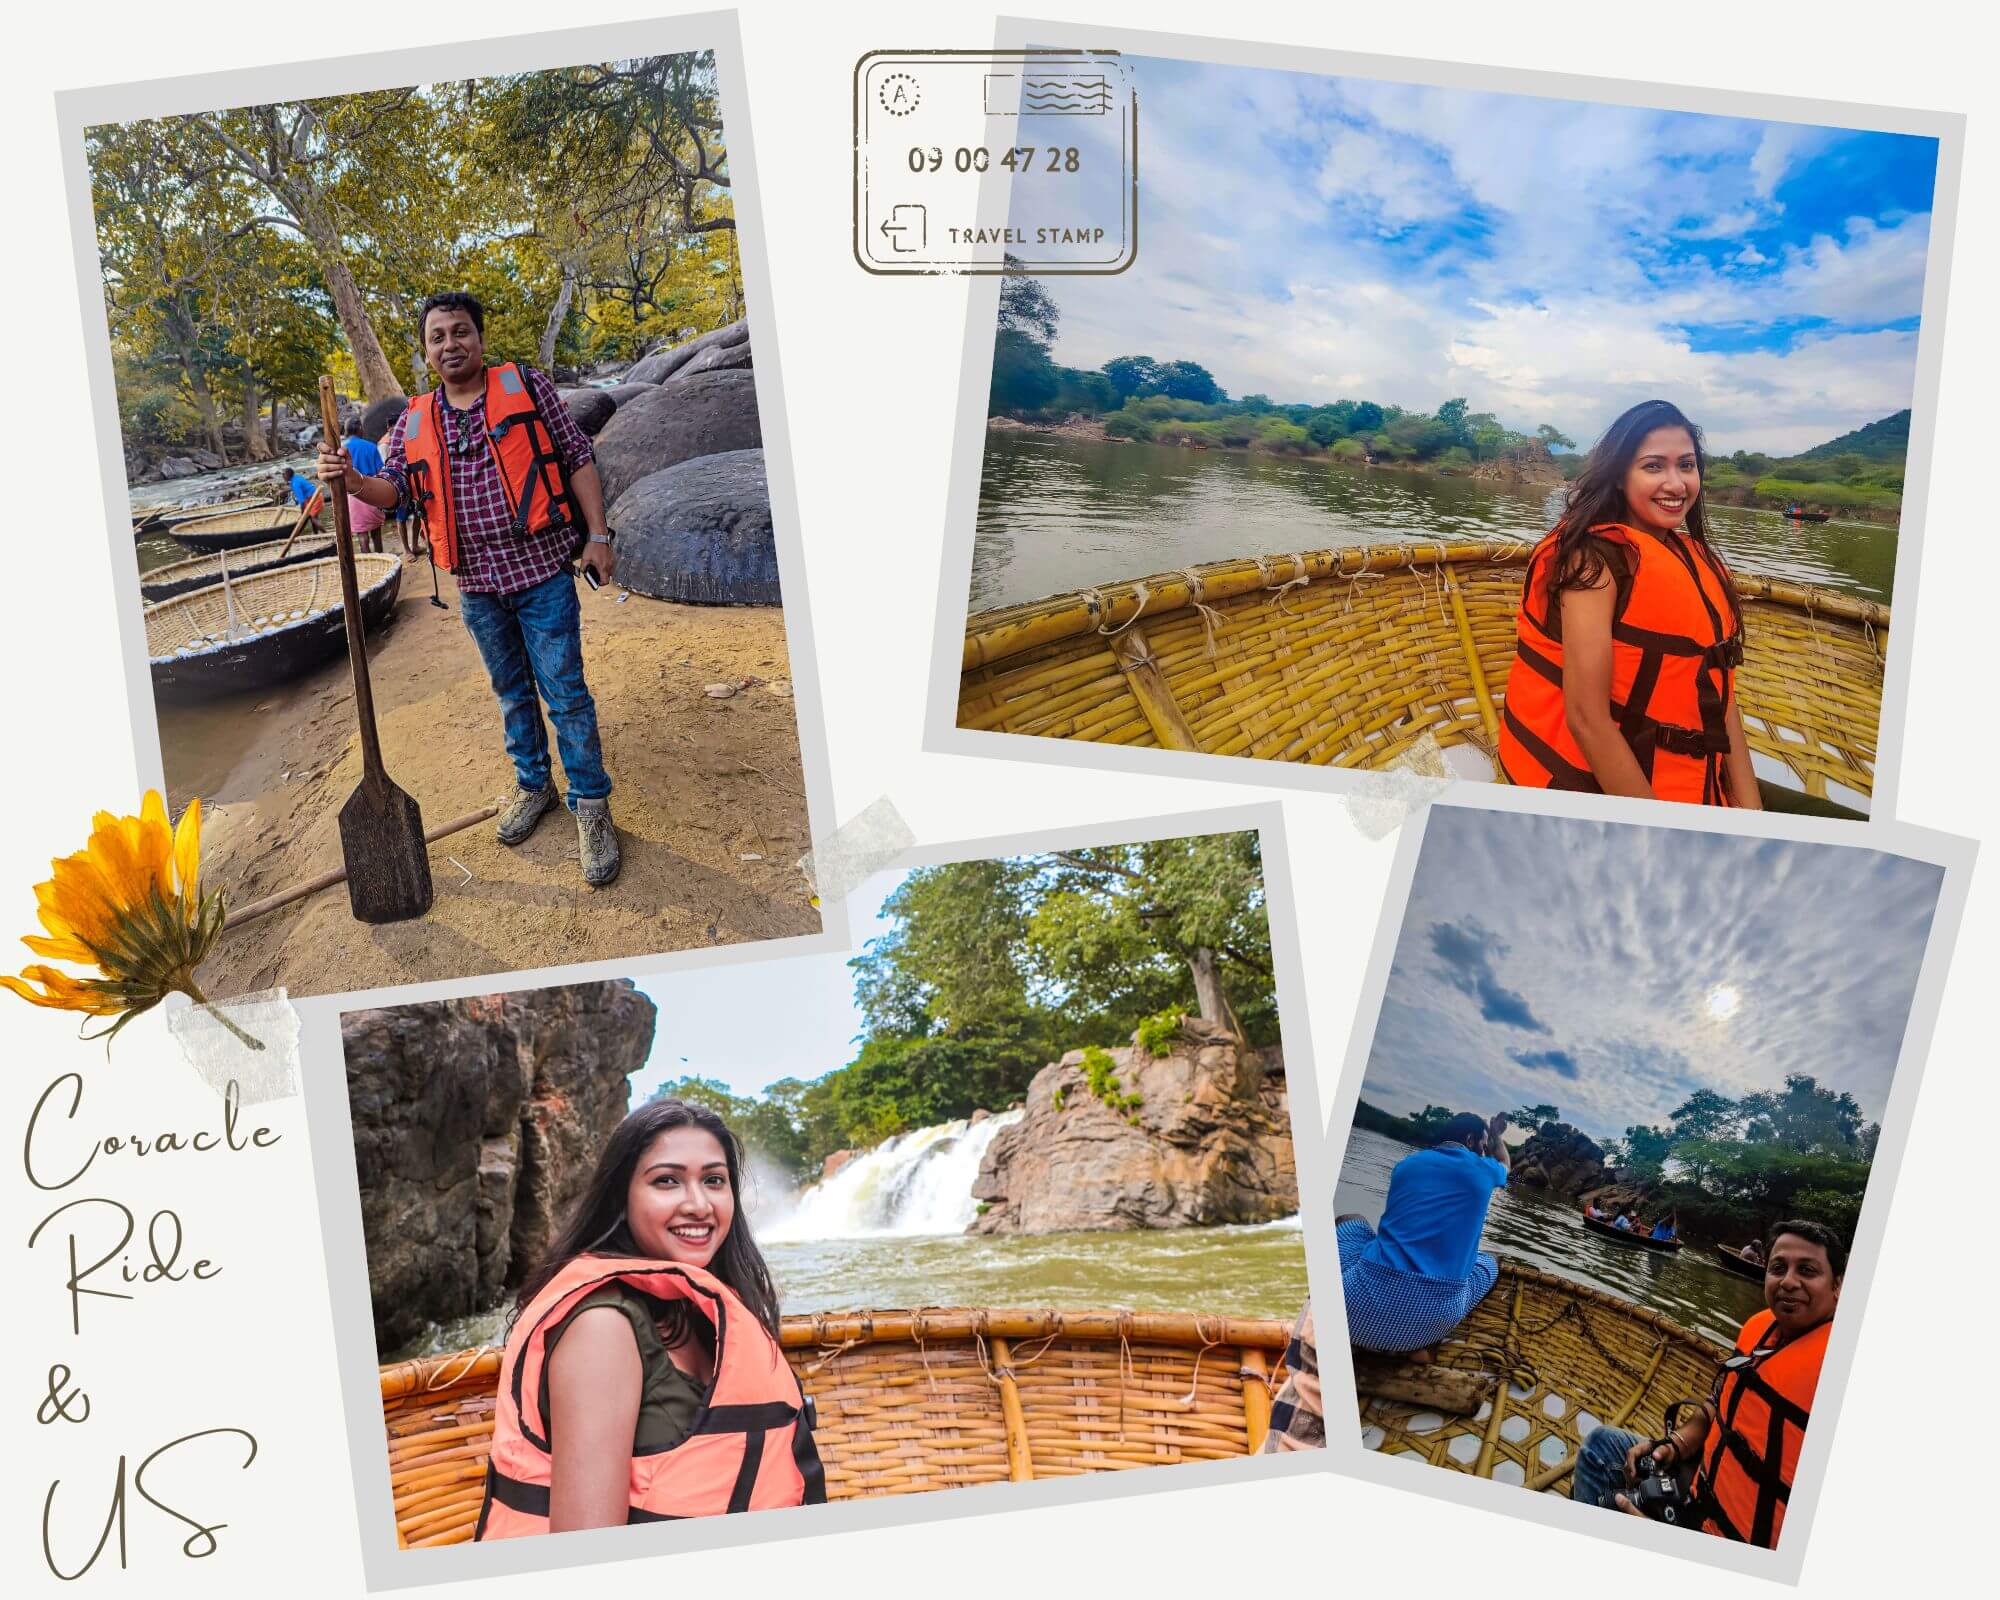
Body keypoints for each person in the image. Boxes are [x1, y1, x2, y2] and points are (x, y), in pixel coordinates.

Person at [321, 291, 623, 885]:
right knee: (512, 693)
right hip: (478, 589)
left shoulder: (528, 388)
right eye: (438, 337)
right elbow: (397, 492)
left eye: (460, 332)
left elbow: (577, 456)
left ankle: (591, 805)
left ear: (480, 340)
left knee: (565, 695)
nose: (450, 344)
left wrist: (597, 534)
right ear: (427, 352)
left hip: (541, 576)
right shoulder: (415, 419)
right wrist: (354, 480)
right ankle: (534, 787)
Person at [476, 1099, 826, 1538]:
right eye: (667, 1182)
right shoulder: (603, 1329)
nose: (699, 1204)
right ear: (621, 1198)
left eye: (714, 1180)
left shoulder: (703, 1312)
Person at [1497, 398, 1760, 808]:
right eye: (1654, 466)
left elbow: (1724, 701)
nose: (1676, 484)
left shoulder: (1697, 561)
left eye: (1686, 466)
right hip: (1612, 797)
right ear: (1620, 476)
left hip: (1697, 788)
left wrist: (1752, 814)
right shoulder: (1594, 562)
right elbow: (1588, 719)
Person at [1572, 1219, 1844, 1547]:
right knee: (1601, 1444)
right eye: (1778, 1267)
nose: (1788, 1281)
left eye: (1808, 1271)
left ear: (1838, 1286)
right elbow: (1717, 1403)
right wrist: (1675, 1445)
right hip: (1697, 1488)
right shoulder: (1759, 1329)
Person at [1336, 1112, 1509, 1356]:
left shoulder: (1405, 1166)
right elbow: (1505, 1164)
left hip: (1348, 1314)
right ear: (1470, 1140)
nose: (1484, 1152)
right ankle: (1423, 1345)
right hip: (1426, 1328)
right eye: (1482, 1146)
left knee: (1350, 1220)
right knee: (1493, 1259)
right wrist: (1496, 1137)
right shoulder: (1484, 1169)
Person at [340, 418, 387, 554]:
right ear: (360, 428)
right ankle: (381, 561)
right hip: (372, 491)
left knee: (362, 535)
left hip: (353, 495)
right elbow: (380, 472)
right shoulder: (370, 446)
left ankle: (368, 563)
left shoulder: (342, 449)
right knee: (376, 532)